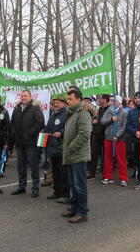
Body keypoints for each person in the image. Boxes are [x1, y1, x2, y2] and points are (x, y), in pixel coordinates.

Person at [61, 89, 91, 223]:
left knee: (80, 185)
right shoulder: (72, 113)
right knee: (73, 184)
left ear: (78, 99)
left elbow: (84, 134)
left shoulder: (83, 113)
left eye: (70, 99)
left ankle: (82, 212)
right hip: (71, 154)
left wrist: (71, 147)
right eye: (67, 99)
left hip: (78, 154)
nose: (68, 101)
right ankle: (74, 208)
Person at [10, 90, 45, 198]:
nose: (23, 97)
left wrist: (30, 133)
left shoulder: (35, 108)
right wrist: (14, 133)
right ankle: (21, 187)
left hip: (31, 143)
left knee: (34, 167)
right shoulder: (17, 108)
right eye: (22, 96)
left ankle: (35, 188)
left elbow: (40, 123)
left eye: (25, 96)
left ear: (30, 97)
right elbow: (13, 123)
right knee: (20, 167)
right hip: (20, 143)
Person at [44, 95, 69, 204]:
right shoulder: (54, 114)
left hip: (61, 147)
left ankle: (65, 194)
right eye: (55, 103)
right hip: (52, 147)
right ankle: (56, 191)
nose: (56, 105)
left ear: (64, 104)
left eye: (58, 103)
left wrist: (62, 133)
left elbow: (68, 128)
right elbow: (49, 127)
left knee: (63, 172)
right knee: (55, 172)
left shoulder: (67, 114)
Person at [100, 96, 128, 186]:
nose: (111, 102)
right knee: (107, 158)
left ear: (119, 102)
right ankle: (108, 176)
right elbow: (103, 122)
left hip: (119, 139)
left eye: (114, 100)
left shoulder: (124, 112)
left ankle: (123, 178)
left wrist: (117, 135)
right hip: (108, 137)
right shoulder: (108, 111)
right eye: (111, 100)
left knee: (121, 158)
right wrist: (111, 119)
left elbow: (124, 126)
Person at [87, 94, 110, 180]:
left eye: (100, 99)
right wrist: (94, 120)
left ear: (104, 100)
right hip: (96, 133)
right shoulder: (99, 109)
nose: (98, 100)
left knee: (105, 155)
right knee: (94, 154)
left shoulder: (109, 110)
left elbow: (107, 121)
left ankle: (105, 173)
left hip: (105, 134)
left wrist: (98, 121)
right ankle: (92, 173)